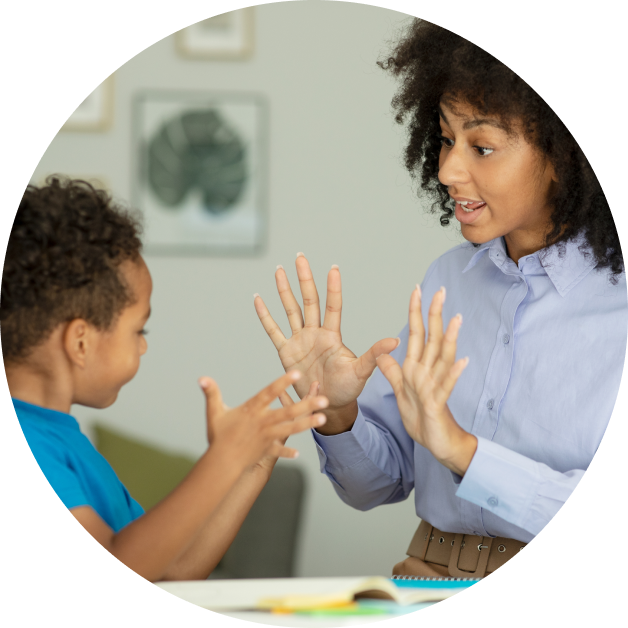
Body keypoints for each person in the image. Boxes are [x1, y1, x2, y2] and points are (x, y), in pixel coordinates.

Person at [254, 20, 626, 578]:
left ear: (563, 153)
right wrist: (335, 413)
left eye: (482, 146)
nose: (449, 169)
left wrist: (462, 451)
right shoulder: (448, 280)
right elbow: (375, 485)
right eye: (447, 139)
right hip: (419, 577)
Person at [4, 177, 329, 582]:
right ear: (80, 342)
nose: (143, 347)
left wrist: (250, 464)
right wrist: (222, 457)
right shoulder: (35, 447)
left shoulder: (63, 442)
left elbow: (175, 566)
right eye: (140, 330)